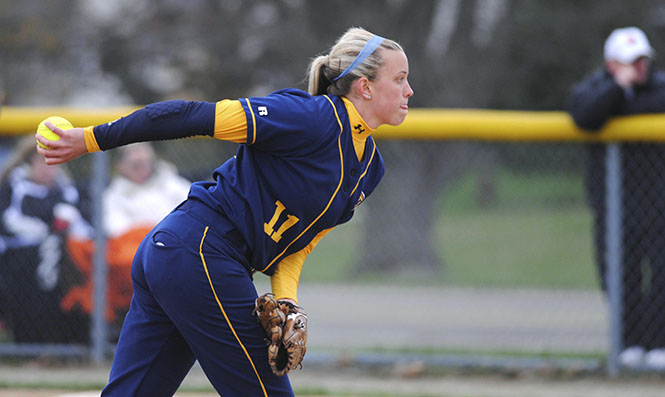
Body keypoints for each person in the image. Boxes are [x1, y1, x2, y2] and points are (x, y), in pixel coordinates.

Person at [37, 27, 413, 396]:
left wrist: (287, 303)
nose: (408, 90)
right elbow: (187, 115)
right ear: (365, 86)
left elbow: (299, 245)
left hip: (185, 256)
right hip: (201, 250)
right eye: (399, 79)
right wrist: (90, 139)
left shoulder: (369, 167)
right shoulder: (308, 117)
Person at [567, 26, 665, 370]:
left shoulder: (659, 87)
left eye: (641, 61)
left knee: (662, 276)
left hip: (659, 207)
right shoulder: (596, 88)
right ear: (611, 64)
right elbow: (584, 115)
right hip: (613, 208)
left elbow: (653, 103)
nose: (637, 68)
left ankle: (658, 346)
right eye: (628, 62)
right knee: (620, 277)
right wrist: (618, 89)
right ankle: (628, 344)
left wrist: (623, 102)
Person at [62, 142, 191, 324]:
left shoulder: (174, 185)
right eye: (133, 160)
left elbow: (192, 216)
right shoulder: (114, 195)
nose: (139, 162)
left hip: (176, 248)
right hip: (139, 255)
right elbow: (117, 230)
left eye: (142, 158)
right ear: (120, 166)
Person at [0, 137, 92, 344]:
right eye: (41, 161)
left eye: (54, 161)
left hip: (65, 261)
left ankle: (71, 346)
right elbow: (8, 224)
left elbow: (85, 227)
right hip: (19, 260)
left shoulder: (67, 191)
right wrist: (47, 231)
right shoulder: (13, 188)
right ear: (29, 163)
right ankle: (32, 346)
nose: (48, 167)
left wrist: (66, 224)